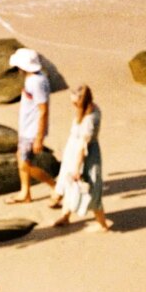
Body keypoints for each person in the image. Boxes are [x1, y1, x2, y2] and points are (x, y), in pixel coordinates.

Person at [52, 84, 112, 231]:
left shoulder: (89, 120)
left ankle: (102, 224)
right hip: (73, 153)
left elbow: (83, 148)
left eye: (74, 102)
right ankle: (66, 216)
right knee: (69, 186)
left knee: (91, 188)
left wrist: (77, 168)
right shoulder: (88, 111)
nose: (72, 105)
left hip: (85, 157)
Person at [5, 47, 57, 204]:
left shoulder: (36, 82)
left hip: (31, 131)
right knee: (22, 159)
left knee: (24, 164)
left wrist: (39, 137)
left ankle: (55, 186)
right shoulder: (35, 78)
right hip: (27, 128)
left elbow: (43, 110)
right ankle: (25, 192)